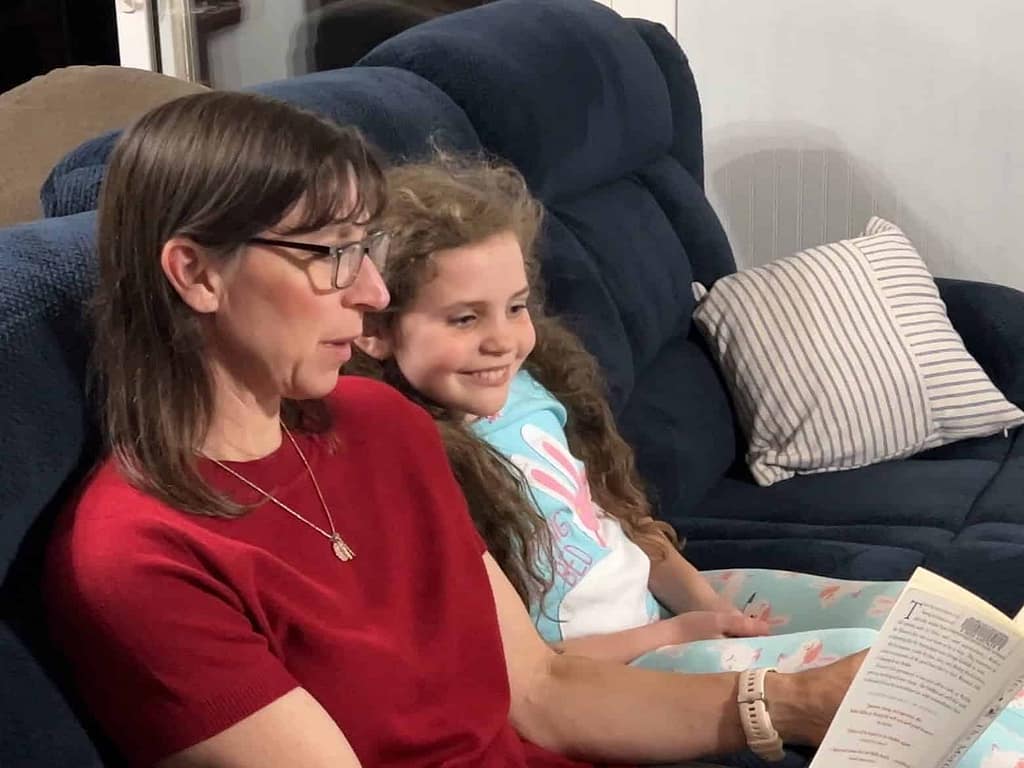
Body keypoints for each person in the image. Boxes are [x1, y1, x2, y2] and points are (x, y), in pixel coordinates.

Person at [44, 90, 863, 768]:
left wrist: (795, 705)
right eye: (331, 252)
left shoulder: (379, 422)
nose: (370, 292)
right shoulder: (136, 556)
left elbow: (540, 691)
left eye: (365, 250)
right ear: (196, 273)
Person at [348, 154, 1024, 768]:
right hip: (615, 668)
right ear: (376, 328)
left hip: (664, 609)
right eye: (464, 319)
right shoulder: (410, 460)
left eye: (516, 307)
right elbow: (526, 669)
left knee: (930, 626)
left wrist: (705, 602)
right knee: (895, 693)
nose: (503, 339)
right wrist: (680, 630)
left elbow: (619, 515)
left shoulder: (528, 389)